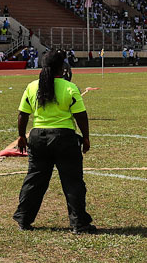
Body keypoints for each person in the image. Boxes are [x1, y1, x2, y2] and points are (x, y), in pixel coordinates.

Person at [13, 50, 96, 234]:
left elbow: (23, 114)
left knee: (35, 180)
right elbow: (80, 115)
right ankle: (79, 224)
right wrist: (86, 137)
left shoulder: (32, 86)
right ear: (61, 67)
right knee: (73, 182)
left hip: (37, 137)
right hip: (64, 137)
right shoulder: (69, 87)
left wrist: (21, 136)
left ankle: (24, 218)